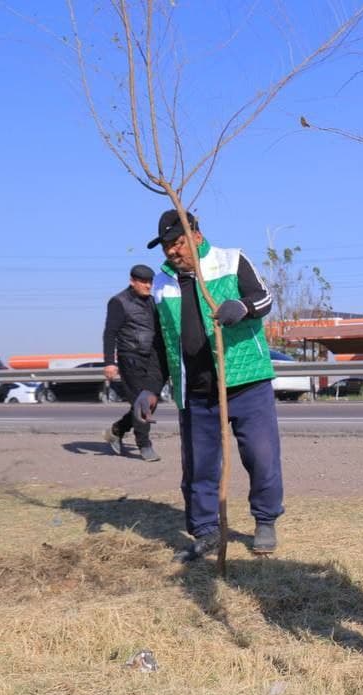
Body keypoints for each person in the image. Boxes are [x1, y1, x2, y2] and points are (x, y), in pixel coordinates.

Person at [133, 210, 284, 561]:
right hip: (195, 392)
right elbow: (159, 342)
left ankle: (265, 520)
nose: (171, 251)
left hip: (246, 382)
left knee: (261, 458)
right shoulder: (161, 283)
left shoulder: (231, 261)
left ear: (196, 236)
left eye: (177, 242)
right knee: (200, 468)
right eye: (166, 246)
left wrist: (241, 307)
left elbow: (264, 299)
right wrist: (150, 386)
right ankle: (205, 531)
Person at [103, 264, 163, 462]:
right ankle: (144, 445)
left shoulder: (153, 302)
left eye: (150, 282)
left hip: (152, 358)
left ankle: (117, 430)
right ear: (132, 281)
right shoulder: (118, 302)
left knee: (149, 402)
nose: (148, 286)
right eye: (144, 282)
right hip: (131, 357)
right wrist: (109, 362)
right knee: (142, 402)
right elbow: (110, 333)